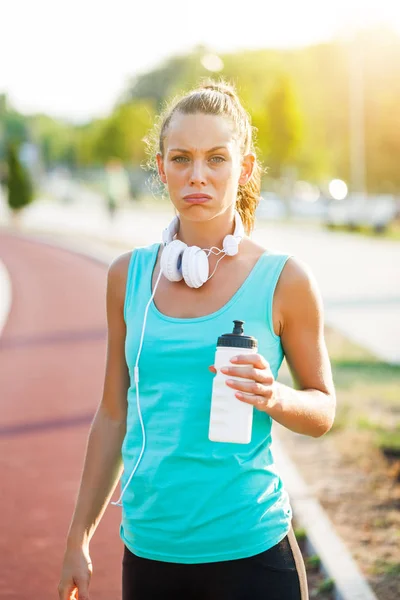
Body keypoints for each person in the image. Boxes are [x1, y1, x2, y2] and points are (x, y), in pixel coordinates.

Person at [58, 80, 336, 600]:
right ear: (161, 168)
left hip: (251, 552)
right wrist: (79, 537)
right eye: (181, 159)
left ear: (245, 168)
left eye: (216, 159)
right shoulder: (127, 276)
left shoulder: (286, 280)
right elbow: (113, 414)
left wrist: (272, 396)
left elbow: (323, 410)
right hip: (150, 553)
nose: (197, 176)